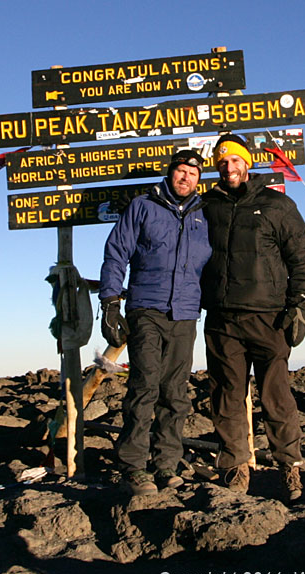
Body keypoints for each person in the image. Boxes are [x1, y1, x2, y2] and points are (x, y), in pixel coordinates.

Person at [201, 133, 305, 502]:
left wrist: (299, 303)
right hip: (222, 319)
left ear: (247, 163)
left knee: (277, 396)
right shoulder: (206, 206)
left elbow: (303, 255)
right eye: (221, 163)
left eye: (234, 160)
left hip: (270, 318)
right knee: (226, 397)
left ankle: (290, 467)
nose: (228, 167)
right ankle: (236, 468)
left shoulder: (276, 204)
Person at [99, 150, 211, 495]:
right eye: (180, 171)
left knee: (175, 392)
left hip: (186, 313)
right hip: (146, 307)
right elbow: (117, 251)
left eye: (192, 174)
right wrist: (110, 301)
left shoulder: (205, 214)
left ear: (198, 179)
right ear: (170, 173)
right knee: (144, 384)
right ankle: (133, 465)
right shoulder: (144, 206)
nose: (185, 178)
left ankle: (166, 463)